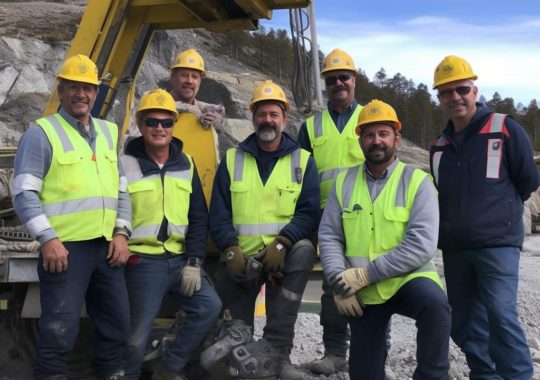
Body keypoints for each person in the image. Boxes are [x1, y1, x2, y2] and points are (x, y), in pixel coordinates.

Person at [12, 54, 131, 380]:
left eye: (88, 88)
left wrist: (122, 233)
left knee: (117, 325)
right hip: (65, 251)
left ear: (96, 93)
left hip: (106, 249)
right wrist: (48, 239)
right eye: (74, 87)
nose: (82, 94)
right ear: (61, 90)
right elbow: (24, 193)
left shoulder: (108, 133)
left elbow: (122, 190)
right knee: (59, 332)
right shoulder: (41, 133)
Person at [320, 99, 451, 379]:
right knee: (364, 373)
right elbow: (330, 236)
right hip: (364, 291)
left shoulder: (418, 182)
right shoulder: (343, 183)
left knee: (436, 306)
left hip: (408, 279)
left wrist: (367, 274)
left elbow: (422, 244)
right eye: (369, 134)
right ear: (360, 140)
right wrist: (339, 283)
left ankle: (432, 375)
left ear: (397, 139)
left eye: (383, 133)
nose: (376, 141)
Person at [430, 55, 539, 379]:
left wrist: (496, 214)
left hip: (497, 246)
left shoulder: (505, 130)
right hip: (455, 249)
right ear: (440, 99)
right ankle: (484, 374)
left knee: (500, 315)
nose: (455, 97)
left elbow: (528, 181)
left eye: (461, 89)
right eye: (446, 93)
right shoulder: (439, 146)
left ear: (474, 90)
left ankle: (518, 375)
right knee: (463, 321)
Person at [209, 80, 320, 379]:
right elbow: (219, 213)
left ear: (284, 118)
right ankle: (241, 361)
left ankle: (279, 357)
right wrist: (230, 249)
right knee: (234, 348)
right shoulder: (233, 159)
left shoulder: (302, 161)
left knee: (304, 250)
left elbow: (309, 212)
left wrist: (284, 242)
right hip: (241, 261)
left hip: (280, 259)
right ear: (252, 117)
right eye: (261, 114)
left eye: (274, 114)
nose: (267, 120)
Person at [121, 89, 221, 380]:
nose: (159, 128)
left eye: (166, 122)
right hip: (143, 262)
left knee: (209, 307)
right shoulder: (124, 164)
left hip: (179, 261)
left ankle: (169, 367)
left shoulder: (185, 163)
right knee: (135, 338)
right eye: (152, 122)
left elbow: (198, 217)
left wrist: (194, 261)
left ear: (174, 125)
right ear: (140, 124)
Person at [297, 48, 365, 375]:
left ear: (354, 80)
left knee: (373, 283)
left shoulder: (370, 118)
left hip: (368, 216)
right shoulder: (311, 127)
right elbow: (301, 178)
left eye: (344, 77)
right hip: (328, 220)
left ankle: (374, 351)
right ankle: (336, 351)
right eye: (331, 78)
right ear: (325, 83)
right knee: (331, 287)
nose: (338, 82)